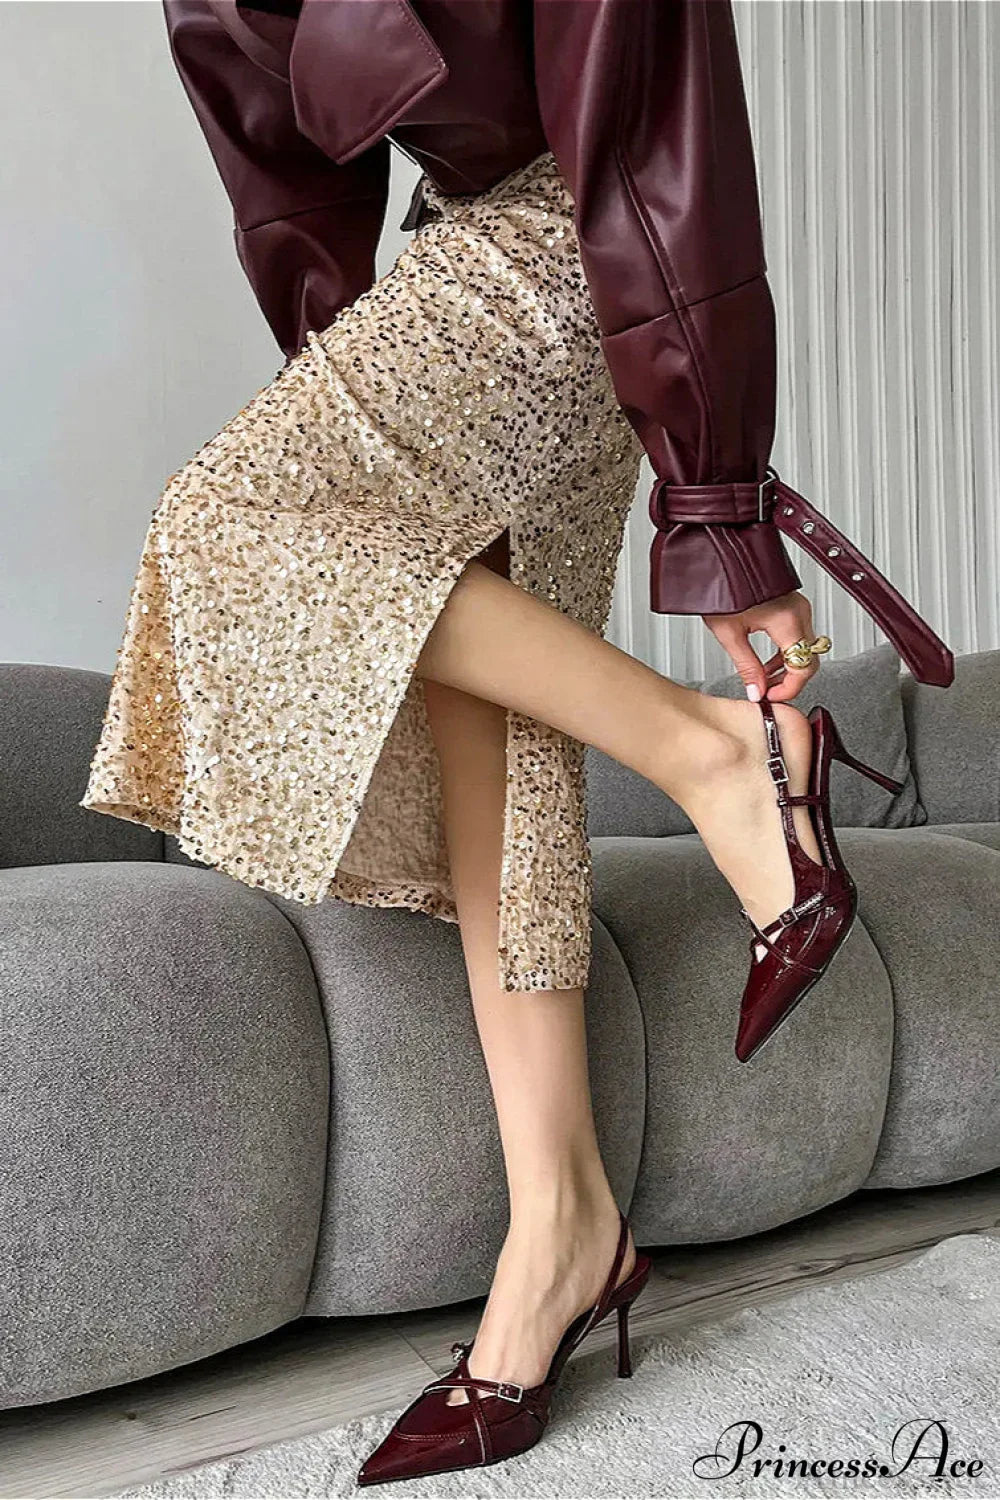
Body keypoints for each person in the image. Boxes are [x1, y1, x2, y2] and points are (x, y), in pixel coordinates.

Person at [79, 0, 952, 1484]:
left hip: (578, 240)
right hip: (474, 249)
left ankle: (714, 757)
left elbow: (653, 113)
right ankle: (563, 1231)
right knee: (496, 733)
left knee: (226, 523)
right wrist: (351, 374)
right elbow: (275, 154)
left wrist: (720, 507)